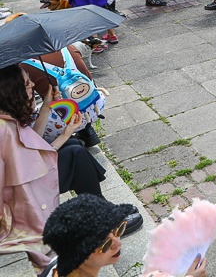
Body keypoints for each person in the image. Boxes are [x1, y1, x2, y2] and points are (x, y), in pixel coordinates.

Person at [0, 64, 142, 270]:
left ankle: (100, 210)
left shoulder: (7, 117)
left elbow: (33, 147)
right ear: (11, 90)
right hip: (23, 199)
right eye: (27, 84)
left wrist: (48, 108)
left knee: (74, 145)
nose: (32, 86)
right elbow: (31, 166)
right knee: (75, 152)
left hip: (29, 182)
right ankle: (101, 220)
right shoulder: (4, 130)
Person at [43, 195, 195, 277]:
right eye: (104, 244)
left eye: (117, 229)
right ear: (78, 257)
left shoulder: (59, 264)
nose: (117, 243)